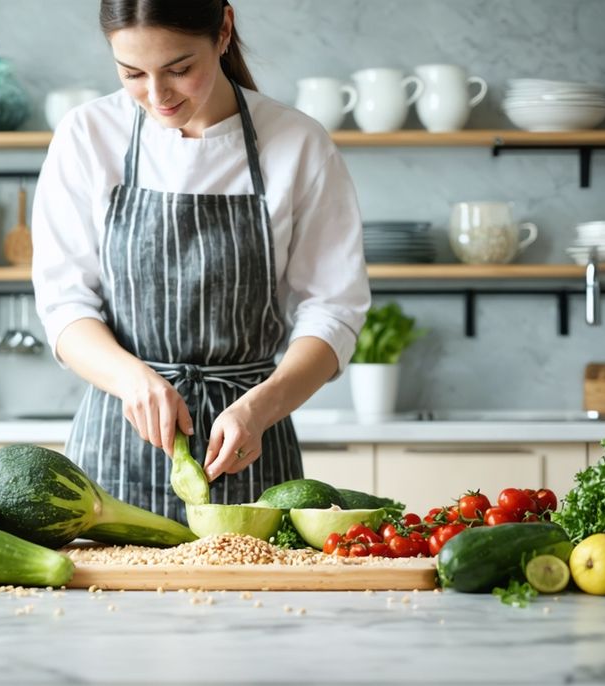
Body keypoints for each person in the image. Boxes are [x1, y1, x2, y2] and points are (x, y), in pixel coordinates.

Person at [31, 0, 370, 522]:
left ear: (224, 30)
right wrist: (132, 381)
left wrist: (263, 406)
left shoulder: (299, 144)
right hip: (118, 445)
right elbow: (64, 305)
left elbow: (335, 312)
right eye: (132, 74)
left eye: (179, 69)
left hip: (254, 444)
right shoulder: (86, 136)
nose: (157, 95)